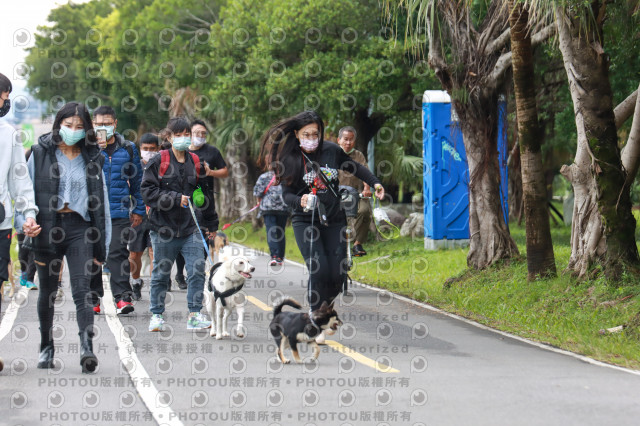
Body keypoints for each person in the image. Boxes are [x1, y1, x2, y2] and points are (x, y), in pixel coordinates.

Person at [259, 110, 384, 343]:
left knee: (338, 272)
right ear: (296, 134)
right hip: (304, 220)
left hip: (333, 218)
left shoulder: (331, 151)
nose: (311, 138)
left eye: (315, 133)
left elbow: (355, 168)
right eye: (306, 134)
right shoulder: (290, 158)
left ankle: (323, 308)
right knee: (319, 268)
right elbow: (286, 194)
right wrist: (301, 200)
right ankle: (315, 318)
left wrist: (375, 183)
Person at [22, 102, 111, 373]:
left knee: (83, 289)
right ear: (58, 124)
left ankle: (87, 347)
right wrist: (26, 222)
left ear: (87, 130)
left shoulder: (93, 157)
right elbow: (25, 193)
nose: (72, 131)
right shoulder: (39, 154)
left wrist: (102, 248)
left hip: (79, 228)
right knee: (48, 290)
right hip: (47, 227)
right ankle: (46, 346)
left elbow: (102, 202)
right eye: (68, 125)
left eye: (79, 127)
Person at [141, 117, 216, 332]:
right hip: (162, 228)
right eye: (179, 135)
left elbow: (203, 193)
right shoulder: (158, 161)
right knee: (161, 274)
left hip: (190, 227)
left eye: (186, 134)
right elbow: (147, 193)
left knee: (197, 270)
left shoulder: (195, 161)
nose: (183, 138)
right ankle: (156, 315)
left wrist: (211, 222)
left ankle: (195, 314)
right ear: (169, 137)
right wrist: (175, 198)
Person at [0, 73, 40, 372]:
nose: (5, 103)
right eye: (3, 97)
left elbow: (20, 180)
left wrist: (28, 214)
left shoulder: (8, 134)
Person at [89, 106, 144, 315]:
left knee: (118, 253)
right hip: (92, 212)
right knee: (92, 254)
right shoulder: (87, 148)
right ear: (93, 125)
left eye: (107, 123)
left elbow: (138, 181)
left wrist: (139, 209)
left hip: (120, 211)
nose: (103, 127)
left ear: (115, 124)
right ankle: (93, 297)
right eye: (99, 124)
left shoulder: (128, 148)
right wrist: (94, 149)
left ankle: (122, 297)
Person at [173, 119, 227, 289]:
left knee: (203, 238)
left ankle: (195, 273)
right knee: (183, 237)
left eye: (204, 133)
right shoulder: (180, 151)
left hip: (205, 200)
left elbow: (225, 171)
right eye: (196, 133)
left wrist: (211, 172)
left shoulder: (212, 152)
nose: (200, 136)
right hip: (182, 201)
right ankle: (180, 273)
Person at [128, 133, 159, 300]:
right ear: (140, 149)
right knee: (134, 254)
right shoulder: (134, 168)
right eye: (145, 149)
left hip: (158, 216)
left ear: (158, 149)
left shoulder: (163, 167)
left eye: (152, 149)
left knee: (155, 252)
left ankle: (155, 287)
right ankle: (136, 281)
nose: (148, 152)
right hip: (138, 215)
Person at [337, 126, 373, 257]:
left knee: (365, 211)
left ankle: (357, 243)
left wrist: (367, 188)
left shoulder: (358, 155)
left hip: (355, 194)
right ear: (339, 140)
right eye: (345, 139)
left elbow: (365, 173)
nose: (348, 143)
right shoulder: (333, 153)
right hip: (335, 194)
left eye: (351, 140)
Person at [253, 154, 289, 266]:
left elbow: (257, 192)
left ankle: (274, 256)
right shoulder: (286, 176)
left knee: (271, 231)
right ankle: (280, 257)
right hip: (283, 208)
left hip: (268, 208)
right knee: (280, 232)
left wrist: (259, 201)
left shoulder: (264, 177)